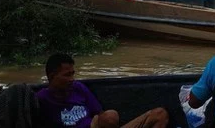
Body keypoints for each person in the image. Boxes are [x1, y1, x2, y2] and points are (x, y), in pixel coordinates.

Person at [37, 53, 168, 128]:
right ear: (52, 76)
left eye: (73, 74)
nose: (72, 79)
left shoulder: (78, 88)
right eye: (67, 75)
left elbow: (101, 115)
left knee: (159, 114)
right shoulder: (41, 99)